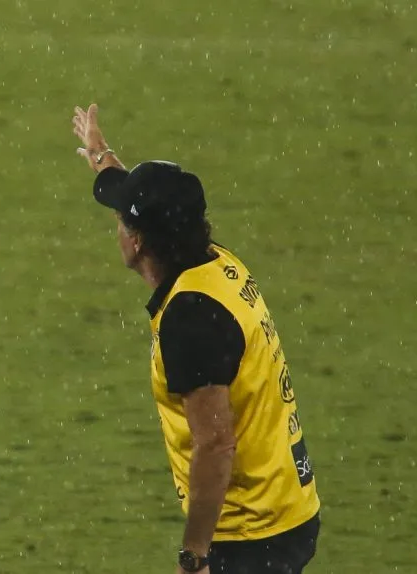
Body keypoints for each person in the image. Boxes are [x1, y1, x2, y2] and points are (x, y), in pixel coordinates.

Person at [71, 103, 321, 574]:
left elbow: (216, 444)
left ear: (137, 241)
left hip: (251, 536)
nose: (117, 227)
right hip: (288, 503)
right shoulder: (214, 262)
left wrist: (194, 556)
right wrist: (100, 151)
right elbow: (128, 197)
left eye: (123, 222)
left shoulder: (190, 319)